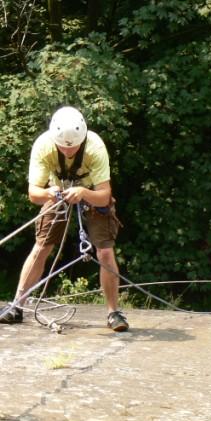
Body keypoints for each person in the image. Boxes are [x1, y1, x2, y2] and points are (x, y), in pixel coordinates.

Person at [0, 106, 128, 331]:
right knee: (41, 247)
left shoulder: (94, 147)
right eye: (63, 147)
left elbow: (104, 194)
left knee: (105, 250)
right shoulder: (44, 146)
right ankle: (17, 305)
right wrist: (51, 193)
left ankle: (113, 312)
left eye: (74, 147)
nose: (68, 152)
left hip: (92, 195)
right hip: (56, 193)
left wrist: (84, 194)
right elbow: (34, 194)